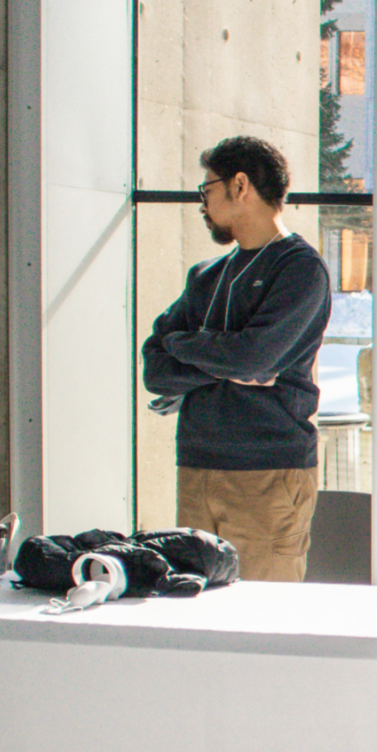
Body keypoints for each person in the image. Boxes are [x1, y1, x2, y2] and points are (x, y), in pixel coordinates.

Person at [142, 136, 332, 581]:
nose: (202, 204)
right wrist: (219, 356)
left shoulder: (300, 268)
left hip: (267, 471)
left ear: (239, 185)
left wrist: (187, 344)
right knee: (196, 617)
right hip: (196, 465)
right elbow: (155, 368)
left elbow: (252, 359)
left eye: (205, 191)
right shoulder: (205, 276)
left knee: (262, 625)